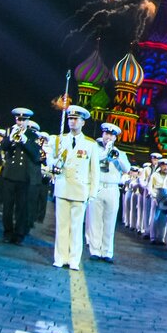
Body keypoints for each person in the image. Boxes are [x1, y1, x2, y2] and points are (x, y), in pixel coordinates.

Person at [47, 106, 100, 271]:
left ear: (83, 122)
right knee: (61, 225)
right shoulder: (59, 140)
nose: (72, 121)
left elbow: (94, 171)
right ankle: (60, 257)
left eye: (76, 119)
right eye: (70, 118)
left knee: (76, 228)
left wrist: (92, 193)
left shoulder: (90, 144)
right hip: (63, 186)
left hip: (80, 189)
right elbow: (50, 160)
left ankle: (74, 259)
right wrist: (54, 162)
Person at [87, 123, 130, 262]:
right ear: (103, 135)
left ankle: (107, 252)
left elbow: (127, 169)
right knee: (95, 220)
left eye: (111, 135)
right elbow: (91, 162)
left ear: (115, 138)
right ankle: (95, 250)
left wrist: (116, 157)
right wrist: (105, 153)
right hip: (98, 186)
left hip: (112, 188)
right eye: (106, 134)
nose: (108, 137)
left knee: (110, 222)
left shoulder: (120, 153)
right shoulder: (96, 149)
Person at [0, 107, 41, 244]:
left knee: (21, 208)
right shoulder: (10, 131)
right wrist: (11, 138)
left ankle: (19, 234)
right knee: (7, 206)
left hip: (24, 176)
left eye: (23, 120)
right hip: (10, 174)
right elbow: (3, 147)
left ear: (27, 121)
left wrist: (25, 141)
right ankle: (7, 232)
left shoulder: (32, 135)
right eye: (18, 119)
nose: (20, 122)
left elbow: (36, 155)